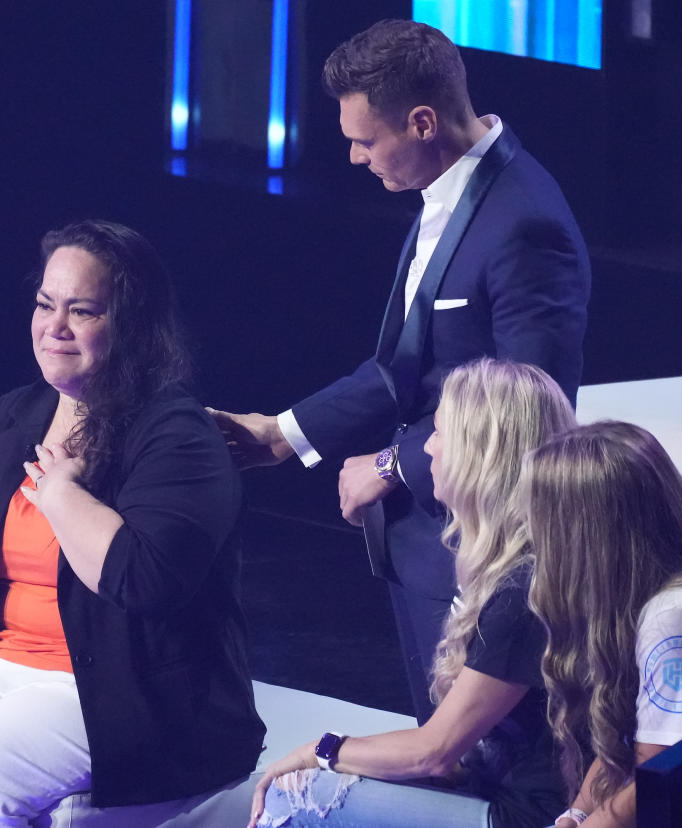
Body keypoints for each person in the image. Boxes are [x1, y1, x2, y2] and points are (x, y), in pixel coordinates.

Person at [208, 19, 590, 723]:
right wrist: (281, 434)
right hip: (424, 536)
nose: (353, 157)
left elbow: (531, 416)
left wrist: (389, 465)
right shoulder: (448, 194)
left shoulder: (525, 223)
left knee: (472, 764)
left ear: (421, 122)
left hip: (477, 548)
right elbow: (403, 367)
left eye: (364, 139)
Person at [0, 219, 264, 825]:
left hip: (110, 692)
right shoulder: (17, 415)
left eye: (83, 311)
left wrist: (63, 493)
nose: (54, 327)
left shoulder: (177, 434)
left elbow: (142, 578)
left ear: (130, 325)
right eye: (45, 304)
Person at [248, 358, 575, 828]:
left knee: (294, 800)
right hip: (483, 779)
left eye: (438, 434)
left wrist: (318, 750)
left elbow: (435, 752)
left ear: (480, 453)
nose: (428, 450)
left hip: (522, 814)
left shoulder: (521, 588)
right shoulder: (501, 554)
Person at [523, 422, 682, 828]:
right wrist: (576, 812)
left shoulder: (668, 616)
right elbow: (629, 741)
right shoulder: (648, 596)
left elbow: (656, 780)